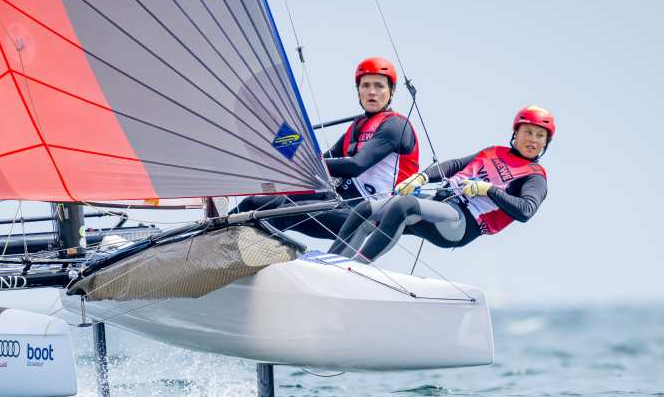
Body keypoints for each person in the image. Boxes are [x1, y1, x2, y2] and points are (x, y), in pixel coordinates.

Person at [331, 105, 554, 262]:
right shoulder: (494, 151)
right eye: (528, 132)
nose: (532, 139)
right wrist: (422, 177)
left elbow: (525, 211)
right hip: (437, 204)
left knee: (404, 205)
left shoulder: (535, 177)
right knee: (367, 209)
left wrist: (489, 190)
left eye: (539, 135)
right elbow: (454, 165)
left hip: (461, 223)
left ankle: (356, 268)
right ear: (516, 133)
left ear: (545, 142)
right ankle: (332, 263)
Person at [233, 57, 418, 239]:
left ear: (391, 91)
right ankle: (212, 234)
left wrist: (305, 162)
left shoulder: (396, 126)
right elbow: (320, 161)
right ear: (358, 91)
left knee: (286, 213)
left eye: (379, 86)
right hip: (337, 200)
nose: (371, 92)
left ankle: (247, 252)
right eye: (365, 85)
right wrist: (281, 139)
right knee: (254, 203)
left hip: (367, 214)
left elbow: (356, 166)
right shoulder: (356, 128)